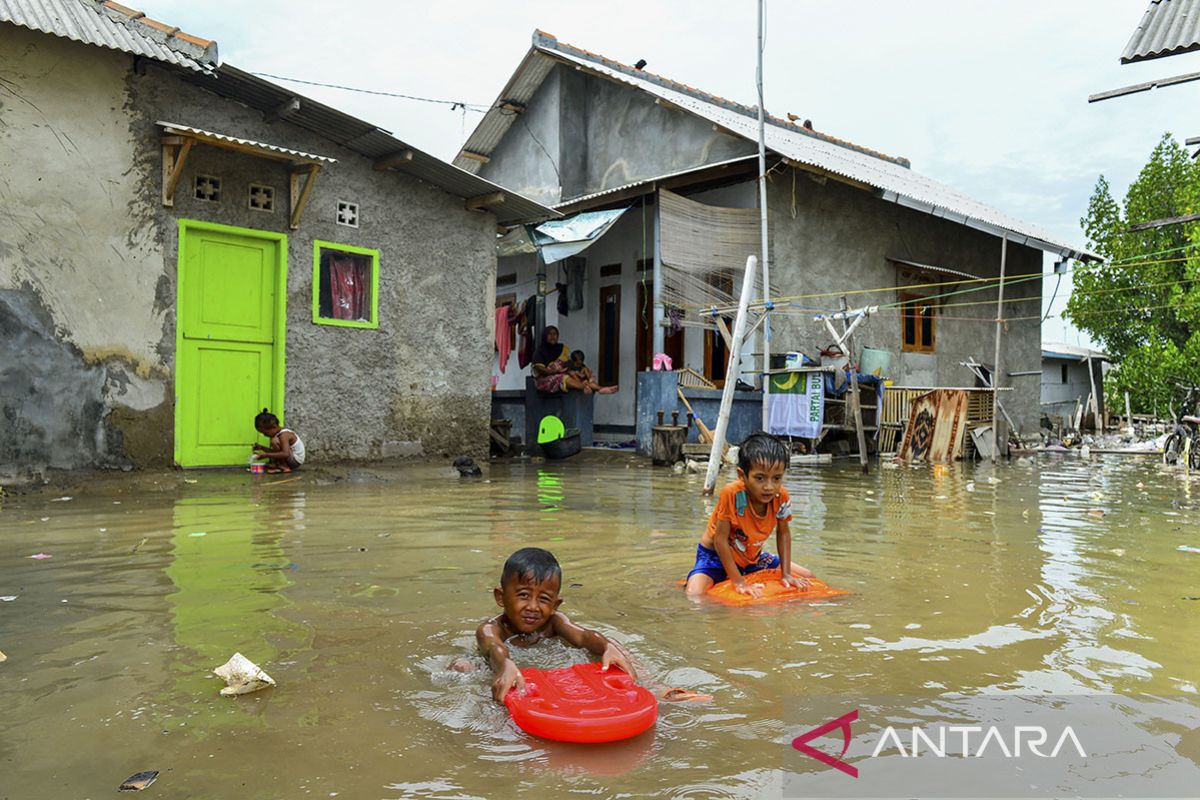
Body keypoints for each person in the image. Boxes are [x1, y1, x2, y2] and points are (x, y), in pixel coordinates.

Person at [458, 547, 637, 702]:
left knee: (614, 646)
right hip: (493, 665)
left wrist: (606, 647)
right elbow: (495, 648)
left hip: (528, 665)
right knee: (461, 665)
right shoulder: (490, 629)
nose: (533, 607)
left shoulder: (554, 623)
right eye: (523, 595)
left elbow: (583, 636)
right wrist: (506, 665)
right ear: (500, 597)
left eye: (543, 599)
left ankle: (648, 685)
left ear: (555, 605)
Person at [684, 432, 815, 598]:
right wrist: (738, 582)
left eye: (777, 478)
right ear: (742, 476)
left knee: (808, 576)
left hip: (751, 557)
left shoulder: (781, 497)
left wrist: (786, 574)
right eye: (760, 478)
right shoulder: (731, 494)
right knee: (694, 594)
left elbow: (783, 532)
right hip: (715, 556)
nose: (769, 487)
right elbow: (720, 540)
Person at [531, 326, 617, 395]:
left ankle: (601, 389)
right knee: (563, 378)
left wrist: (582, 371)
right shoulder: (539, 351)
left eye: (555, 334)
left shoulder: (562, 348)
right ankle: (585, 388)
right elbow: (540, 370)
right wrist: (556, 371)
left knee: (581, 376)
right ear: (545, 336)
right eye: (550, 334)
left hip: (564, 373)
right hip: (546, 380)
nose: (553, 336)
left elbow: (570, 363)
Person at [252, 409, 306, 473]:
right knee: (274, 441)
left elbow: (285, 454)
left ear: (274, 427)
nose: (265, 435)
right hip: (290, 457)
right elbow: (277, 452)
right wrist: (262, 448)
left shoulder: (284, 435)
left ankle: (284, 467)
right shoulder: (279, 434)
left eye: (265, 433)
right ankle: (280, 465)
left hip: (295, 461)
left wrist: (265, 455)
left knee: (274, 441)